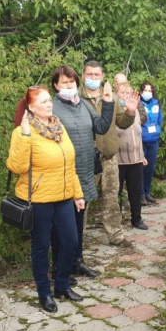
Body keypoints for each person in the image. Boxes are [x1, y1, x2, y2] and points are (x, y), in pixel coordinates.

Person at [7, 86, 86, 313]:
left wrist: (77, 194)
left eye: (49, 100)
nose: (49, 104)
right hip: (38, 199)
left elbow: (69, 164)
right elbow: (16, 166)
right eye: (43, 102)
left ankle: (61, 285)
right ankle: (44, 293)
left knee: (70, 241)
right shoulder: (23, 132)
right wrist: (23, 136)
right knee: (41, 247)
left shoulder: (58, 127)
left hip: (63, 197)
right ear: (31, 107)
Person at [50, 65, 114, 279]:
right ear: (56, 86)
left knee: (78, 222)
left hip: (84, 173)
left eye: (72, 82)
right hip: (63, 175)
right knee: (62, 226)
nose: (69, 86)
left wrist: (107, 102)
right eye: (64, 83)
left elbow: (102, 127)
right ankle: (60, 268)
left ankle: (78, 261)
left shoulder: (83, 104)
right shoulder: (52, 108)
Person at [78, 60, 139, 247]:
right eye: (90, 75)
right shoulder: (77, 99)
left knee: (112, 197)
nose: (93, 78)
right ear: (83, 76)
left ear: (103, 76)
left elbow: (121, 122)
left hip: (110, 156)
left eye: (97, 75)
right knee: (84, 198)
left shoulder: (110, 96)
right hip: (87, 159)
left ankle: (115, 235)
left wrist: (129, 112)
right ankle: (77, 238)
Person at [115, 82, 149, 230]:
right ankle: (116, 220)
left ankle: (137, 219)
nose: (125, 96)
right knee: (116, 192)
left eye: (128, 93)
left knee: (135, 191)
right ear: (116, 95)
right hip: (118, 160)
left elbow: (138, 134)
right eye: (122, 93)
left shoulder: (134, 111)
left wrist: (142, 155)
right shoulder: (114, 112)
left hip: (136, 158)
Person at [139, 81, 162, 205]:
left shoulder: (156, 103)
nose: (148, 93)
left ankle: (147, 192)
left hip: (154, 140)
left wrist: (157, 131)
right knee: (141, 169)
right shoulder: (138, 103)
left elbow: (160, 119)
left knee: (150, 168)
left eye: (150, 90)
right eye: (145, 90)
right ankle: (141, 195)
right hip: (142, 140)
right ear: (141, 91)